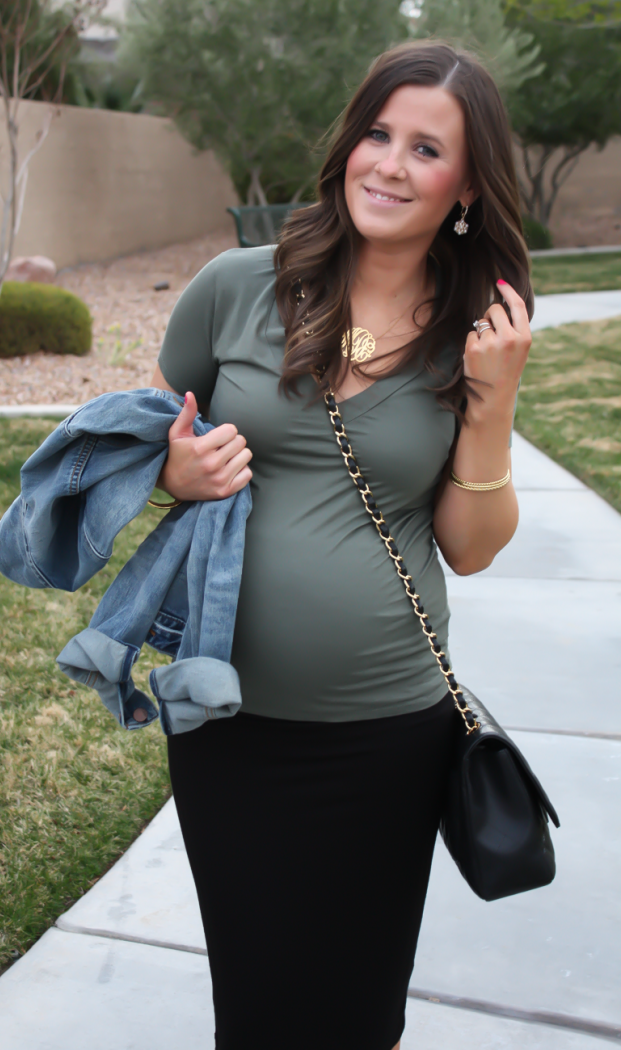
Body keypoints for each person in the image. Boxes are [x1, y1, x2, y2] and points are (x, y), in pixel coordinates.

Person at [149, 41, 532, 1050]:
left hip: (387, 732)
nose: (389, 164)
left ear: (464, 185)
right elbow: (150, 433)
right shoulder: (236, 287)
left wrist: (491, 405)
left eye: (424, 149)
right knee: (258, 997)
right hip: (228, 721)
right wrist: (171, 472)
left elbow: (472, 547)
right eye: (376, 133)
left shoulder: (474, 333)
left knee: (357, 1009)